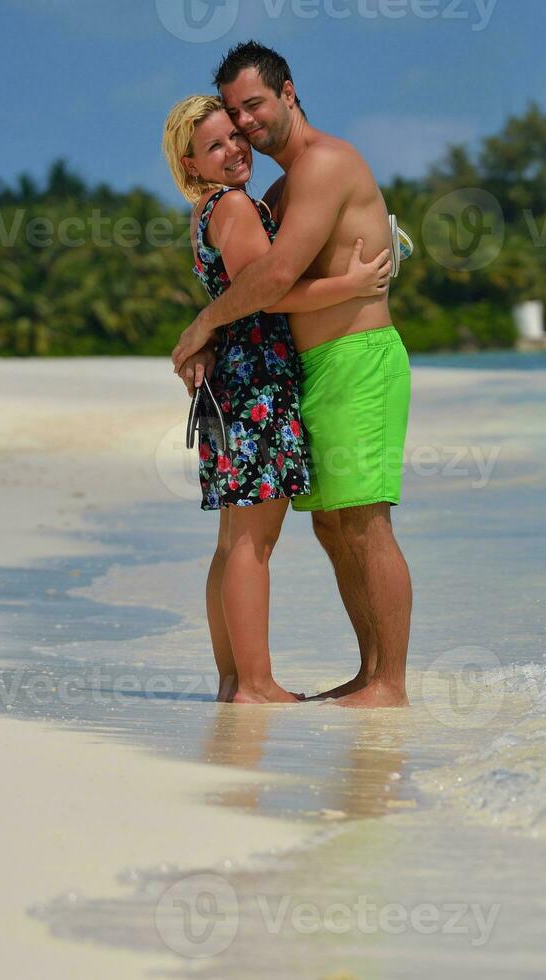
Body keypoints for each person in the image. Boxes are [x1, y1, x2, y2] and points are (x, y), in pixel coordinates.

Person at [171, 42, 414, 709]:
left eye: (252, 106)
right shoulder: (273, 192)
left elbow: (273, 280)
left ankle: (388, 684)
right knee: (333, 527)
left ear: (287, 93)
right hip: (310, 370)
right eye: (231, 116)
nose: (245, 125)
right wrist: (214, 332)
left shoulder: (327, 164)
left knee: (366, 523)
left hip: (357, 360)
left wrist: (200, 328)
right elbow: (258, 278)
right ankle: (368, 675)